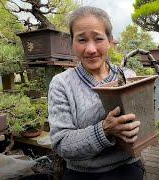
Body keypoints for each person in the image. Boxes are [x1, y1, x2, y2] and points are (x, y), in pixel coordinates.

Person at [48, 6, 144, 180]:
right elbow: (61, 143)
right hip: (82, 174)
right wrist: (104, 130)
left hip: (128, 167)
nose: (90, 49)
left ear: (110, 40)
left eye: (98, 38)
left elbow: (142, 123)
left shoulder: (128, 76)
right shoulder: (62, 84)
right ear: (72, 42)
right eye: (82, 40)